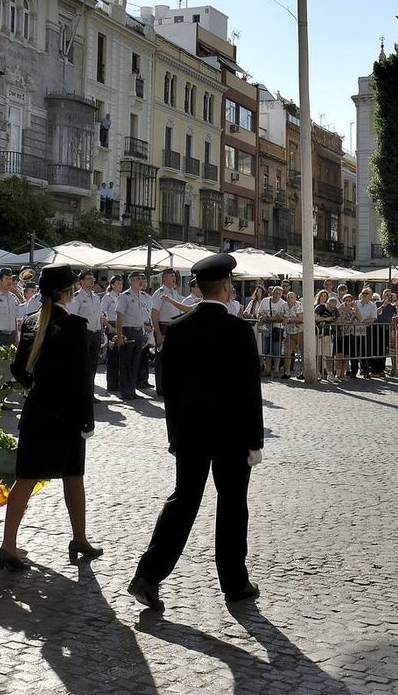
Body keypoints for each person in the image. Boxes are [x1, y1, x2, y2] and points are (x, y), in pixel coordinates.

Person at [128, 253, 263, 612]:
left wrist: (175, 435)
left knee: (183, 501)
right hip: (232, 435)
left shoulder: (178, 329)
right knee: (232, 505)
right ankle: (235, 583)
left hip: (190, 432)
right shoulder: (239, 330)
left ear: (199, 289)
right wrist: (255, 440)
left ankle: (147, 576)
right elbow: (250, 390)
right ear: (228, 287)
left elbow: (167, 388)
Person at [0, 265, 99, 570]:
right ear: (68, 292)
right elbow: (83, 378)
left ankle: (8, 545)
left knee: (25, 480)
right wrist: (88, 419)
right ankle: (79, 538)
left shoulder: (30, 322)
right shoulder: (75, 326)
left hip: (37, 410)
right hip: (66, 415)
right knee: (73, 477)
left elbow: (17, 370)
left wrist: (36, 388)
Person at [67, 269, 104, 402]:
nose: (92, 281)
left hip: (95, 334)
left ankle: (90, 393)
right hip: (83, 335)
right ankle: (79, 393)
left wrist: (101, 332)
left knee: (93, 365)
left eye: (92, 278)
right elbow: (72, 318)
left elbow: (99, 316)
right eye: (88, 278)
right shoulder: (76, 297)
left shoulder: (96, 297)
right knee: (81, 365)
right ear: (81, 281)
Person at [114, 272, 151, 400]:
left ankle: (132, 389)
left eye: (141, 278)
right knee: (126, 362)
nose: (140, 281)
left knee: (136, 363)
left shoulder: (143, 296)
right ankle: (125, 391)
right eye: (137, 279)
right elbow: (120, 316)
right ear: (130, 281)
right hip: (128, 331)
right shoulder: (125, 296)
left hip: (139, 331)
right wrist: (119, 335)